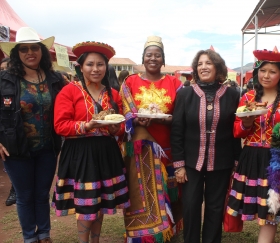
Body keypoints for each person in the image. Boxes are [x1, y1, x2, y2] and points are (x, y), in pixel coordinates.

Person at [226, 49, 280, 243]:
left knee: (272, 212)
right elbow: (237, 131)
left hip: (279, 159)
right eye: (263, 71)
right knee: (262, 209)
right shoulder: (247, 99)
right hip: (253, 158)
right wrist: (246, 124)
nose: (266, 75)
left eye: (272, 71)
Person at [52, 41, 130, 243]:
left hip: (106, 152)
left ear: (106, 67)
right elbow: (60, 125)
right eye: (90, 64)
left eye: (100, 64)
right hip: (80, 153)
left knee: (100, 202)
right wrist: (86, 126)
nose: (95, 69)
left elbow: (120, 124)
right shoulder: (69, 91)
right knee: (87, 204)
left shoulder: (113, 94)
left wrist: (116, 129)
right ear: (81, 67)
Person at [0, 26, 65, 243]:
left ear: (42, 51)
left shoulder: (55, 79)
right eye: (24, 49)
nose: (30, 52)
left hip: (47, 148)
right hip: (16, 148)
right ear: (16, 53)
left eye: (34, 48)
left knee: (41, 194)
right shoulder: (5, 79)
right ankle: (30, 237)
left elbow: (69, 104)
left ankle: (44, 234)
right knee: (25, 196)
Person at [171, 49, 240, 243]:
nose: (203, 67)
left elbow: (236, 132)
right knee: (191, 206)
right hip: (191, 162)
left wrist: (236, 160)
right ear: (195, 68)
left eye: (208, 63)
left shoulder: (233, 95)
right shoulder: (185, 94)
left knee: (215, 207)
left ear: (218, 67)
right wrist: (179, 164)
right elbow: (177, 131)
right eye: (200, 64)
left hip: (221, 162)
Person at [120, 36, 183, 242]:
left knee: (172, 194)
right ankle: (145, 236)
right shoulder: (130, 82)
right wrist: (138, 121)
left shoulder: (175, 83)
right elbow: (125, 113)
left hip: (169, 149)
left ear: (163, 59)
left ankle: (170, 232)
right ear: (143, 58)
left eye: (157, 55)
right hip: (141, 150)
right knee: (142, 193)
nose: (153, 58)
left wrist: (166, 121)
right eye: (149, 55)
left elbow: (182, 115)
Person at [0, 56, 17, 206]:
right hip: (5, 140)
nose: (6, 73)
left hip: (21, 140)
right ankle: (14, 190)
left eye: (9, 69)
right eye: (3, 70)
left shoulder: (21, 87)